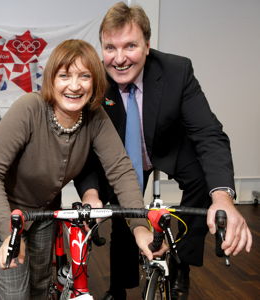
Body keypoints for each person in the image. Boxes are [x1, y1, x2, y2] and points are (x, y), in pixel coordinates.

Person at [74, 2, 252, 300]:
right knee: (122, 204)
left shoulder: (176, 70)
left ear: (147, 45)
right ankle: (119, 287)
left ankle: (182, 261)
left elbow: (209, 133)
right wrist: (91, 193)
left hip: (166, 146)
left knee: (201, 177)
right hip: (118, 158)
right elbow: (85, 148)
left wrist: (223, 198)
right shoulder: (92, 78)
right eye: (110, 48)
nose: (119, 59)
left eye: (130, 46)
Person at [0, 39, 167, 300]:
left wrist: (139, 227)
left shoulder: (96, 116)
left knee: (40, 290)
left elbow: (121, 170)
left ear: (95, 82)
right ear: (51, 80)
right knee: (15, 294)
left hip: (44, 214)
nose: (75, 86)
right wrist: (10, 234)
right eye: (65, 75)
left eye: (84, 76)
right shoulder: (29, 108)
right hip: (5, 213)